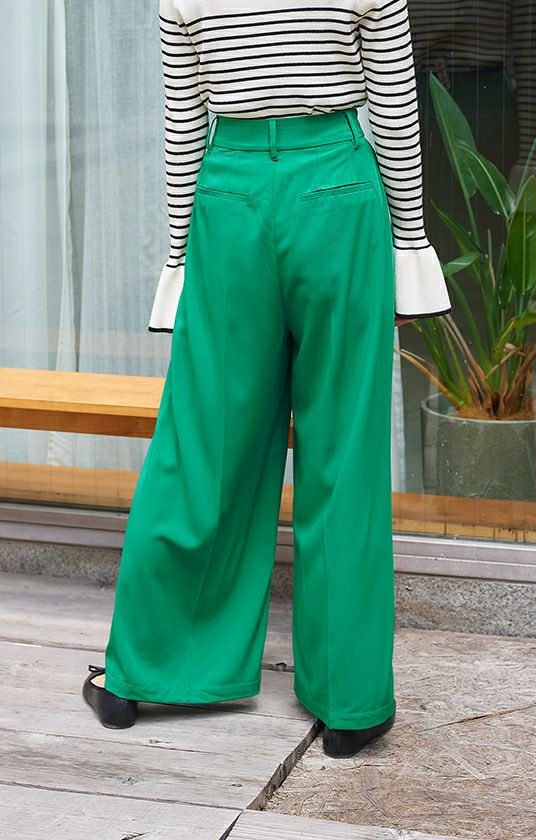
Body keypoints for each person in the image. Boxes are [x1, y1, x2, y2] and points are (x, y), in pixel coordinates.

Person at [82, 0, 451, 759]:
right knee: (343, 456)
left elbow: (185, 123)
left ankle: (143, 673)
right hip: (338, 191)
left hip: (231, 193)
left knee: (203, 444)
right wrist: (409, 244)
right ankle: (350, 704)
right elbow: (393, 103)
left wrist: (181, 259)